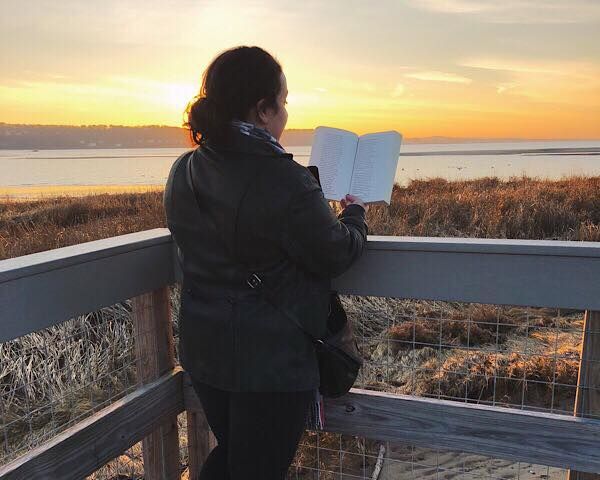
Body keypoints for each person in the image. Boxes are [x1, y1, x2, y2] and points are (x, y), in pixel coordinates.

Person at [163, 46, 368, 480]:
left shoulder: (183, 171)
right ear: (262, 109)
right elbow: (335, 251)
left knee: (238, 458)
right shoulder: (281, 177)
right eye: (285, 101)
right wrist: (355, 216)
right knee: (254, 467)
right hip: (271, 364)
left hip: (206, 353)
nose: (287, 113)